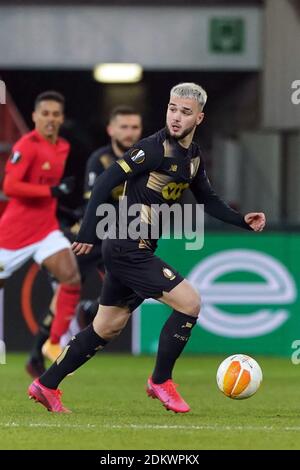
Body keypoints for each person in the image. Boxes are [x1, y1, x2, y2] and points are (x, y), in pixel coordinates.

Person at [28, 83, 266, 414]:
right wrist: (87, 230)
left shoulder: (192, 157)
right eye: (172, 108)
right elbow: (107, 181)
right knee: (190, 302)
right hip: (127, 247)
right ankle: (160, 381)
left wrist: (243, 220)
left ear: (199, 117)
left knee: (105, 327)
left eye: (184, 112)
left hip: (135, 248)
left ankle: (46, 384)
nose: (176, 117)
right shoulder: (152, 150)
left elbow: (208, 200)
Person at [26, 106, 143, 376]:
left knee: (137, 288)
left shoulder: (146, 160)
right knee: (65, 288)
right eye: (123, 127)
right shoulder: (100, 160)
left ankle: (90, 310)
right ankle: (37, 352)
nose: (129, 133)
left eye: (134, 127)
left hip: (123, 239)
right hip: (94, 238)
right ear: (111, 130)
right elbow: (96, 203)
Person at [0, 91, 81, 376]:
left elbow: (49, 193)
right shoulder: (27, 145)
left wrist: (64, 210)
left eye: (55, 114)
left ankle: (53, 343)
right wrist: (51, 191)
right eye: (45, 113)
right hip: (13, 234)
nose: (50, 119)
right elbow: (10, 187)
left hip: (45, 229)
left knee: (71, 278)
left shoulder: (63, 147)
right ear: (34, 116)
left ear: (62, 118)